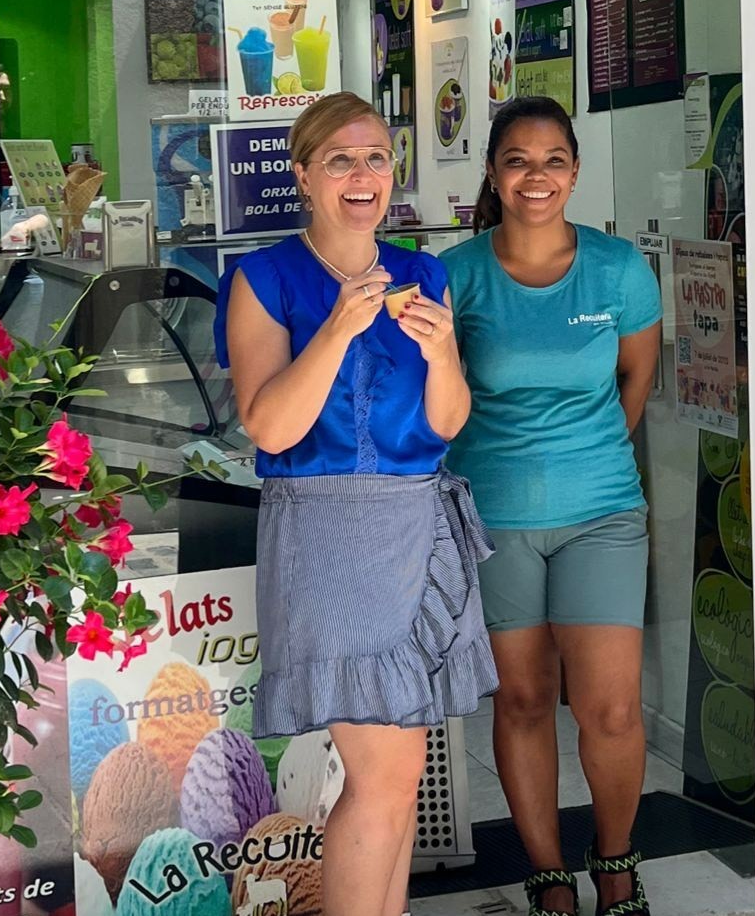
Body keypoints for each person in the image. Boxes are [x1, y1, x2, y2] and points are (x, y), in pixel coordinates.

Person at [216, 92, 496, 916]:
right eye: (339, 160)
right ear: (304, 175)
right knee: (381, 775)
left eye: (375, 157)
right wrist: (337, 329)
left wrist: (441, 354)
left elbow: (448, 420)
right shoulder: (264, 278)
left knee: (399, 778)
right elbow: (270, 425)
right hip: (326, 528)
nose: (362, 174)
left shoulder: (425, 274)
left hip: (417, 524)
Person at [443, 97, 663, 916]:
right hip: (492, 514)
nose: (535, 176)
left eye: (553, 160)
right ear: (492, 173)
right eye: (517, 160)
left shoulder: (617, 269)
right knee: (524, 699)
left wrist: (586, 455)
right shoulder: (456, 275)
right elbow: (438, 395)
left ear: (573, 170)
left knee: (609, 707)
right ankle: (548, 877)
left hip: (601, 510)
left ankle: (616, 862)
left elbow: (636, 377)